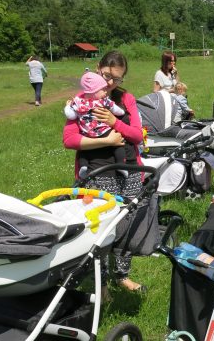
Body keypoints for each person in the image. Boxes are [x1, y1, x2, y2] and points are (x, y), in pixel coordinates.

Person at [63, 50, 146, 294]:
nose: (110, 83)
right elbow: (69, 139)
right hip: (98, 170)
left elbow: (137, 135)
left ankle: (122, 274)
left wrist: (114, 121)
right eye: (107, 75)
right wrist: (107, 141)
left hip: (129, 169)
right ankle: (102, 282)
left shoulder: (125, 99)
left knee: (126, 222)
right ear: (98, 68)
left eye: (117, 79)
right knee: (101, 226)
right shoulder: (81, 99)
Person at [64, 72, 127, 178]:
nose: (105, 91)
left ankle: (83, 166)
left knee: (84, 150)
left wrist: (68, 106)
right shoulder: (104, 101)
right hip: (104, 131)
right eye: (103, 89)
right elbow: (117, 110)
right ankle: (121, 164)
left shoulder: (79, 102)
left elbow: (71, 115)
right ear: (94, 91)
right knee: (118, 145)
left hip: (87, 133)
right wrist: (122, 112)